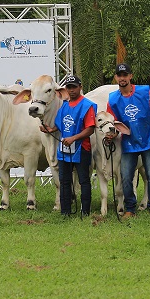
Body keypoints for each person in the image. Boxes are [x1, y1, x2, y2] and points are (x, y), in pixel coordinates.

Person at [106, 63, 150, 220]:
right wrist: (111, 134)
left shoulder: (144, 91)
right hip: (128, 142)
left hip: (147, 139)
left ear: (130, 76)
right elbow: (112, 122)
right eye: (119, 75)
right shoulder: (113, 99)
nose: (122, 78)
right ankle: (130, 208)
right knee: (126, 177)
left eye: (125, 75)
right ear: (116, 77)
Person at [39, 75, 96, 217]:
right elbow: (60, 125)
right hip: (64, 149)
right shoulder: (64, 106)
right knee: (64, 181)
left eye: (74, 87)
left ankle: (85, 211)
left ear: (80, 87)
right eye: (69, 87)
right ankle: (65, 211)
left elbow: (90, 129)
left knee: (83, 181)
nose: (71, 90)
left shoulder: (87, 105)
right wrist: (50, 129)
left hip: (82, 148)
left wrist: (73, 138)